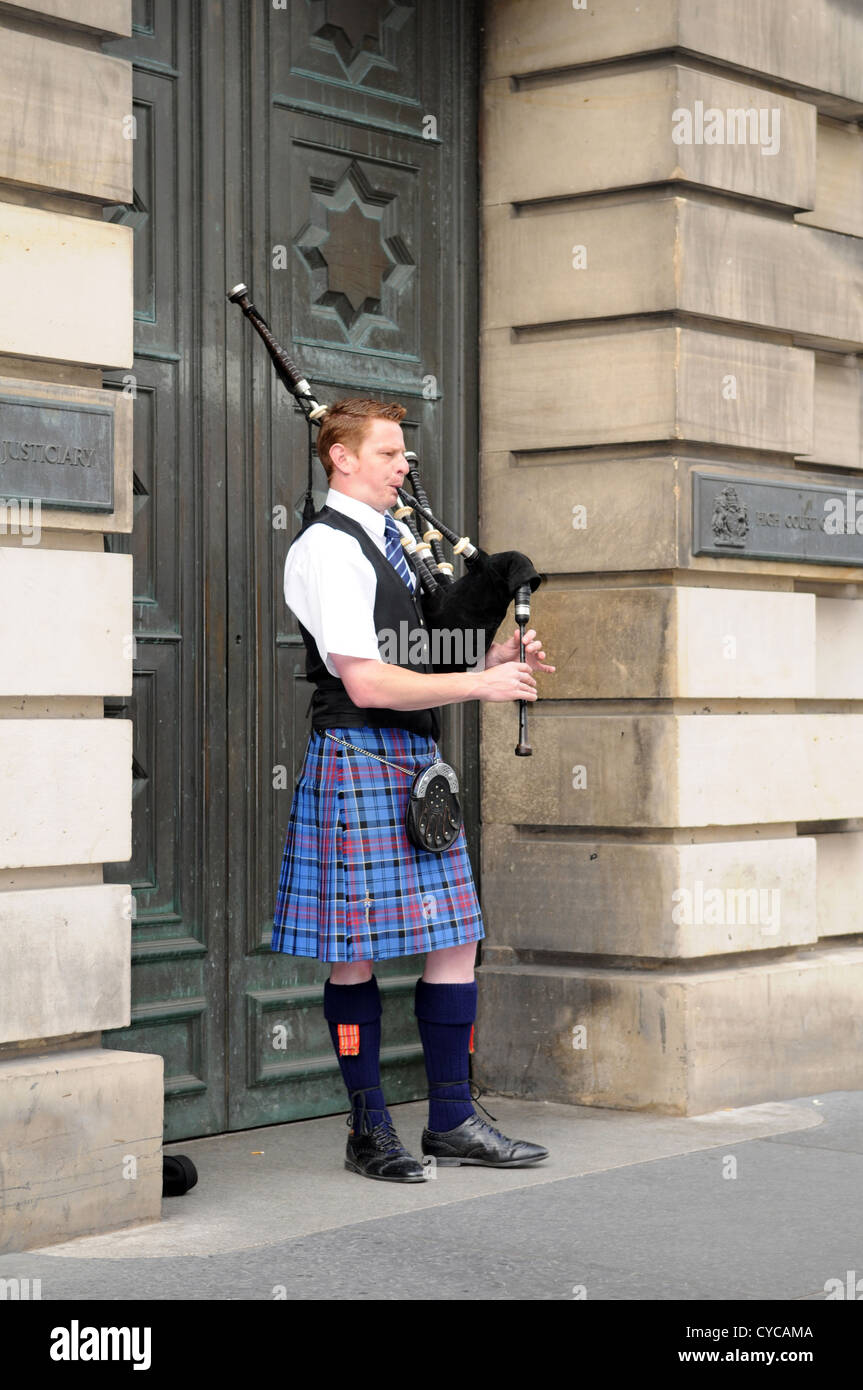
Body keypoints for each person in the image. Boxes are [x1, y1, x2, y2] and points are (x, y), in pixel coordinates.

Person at [272, 398, 556, 1182]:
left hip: (409, 760)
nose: (406, 466)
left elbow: (418, 656)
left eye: (404, 454)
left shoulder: (389, 540)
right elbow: (364, 680)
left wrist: (492, 657)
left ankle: (452, 1119)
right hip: (359, 754)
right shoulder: (329, 550)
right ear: (342, 458)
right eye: (391, 453)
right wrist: (480, 687)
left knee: (454, 936)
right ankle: (369, 1130)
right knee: (355, 952)